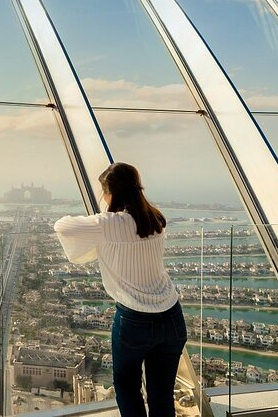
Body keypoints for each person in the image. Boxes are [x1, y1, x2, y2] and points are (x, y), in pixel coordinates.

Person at [54, 162, 186, 417]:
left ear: (111, 193)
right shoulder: (155, 219)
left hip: (134, 320)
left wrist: (99, 218)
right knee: (161, 393)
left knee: (127, 386)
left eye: (104, 192)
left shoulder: (109, 223)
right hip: (172, 316)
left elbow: (63, 225)